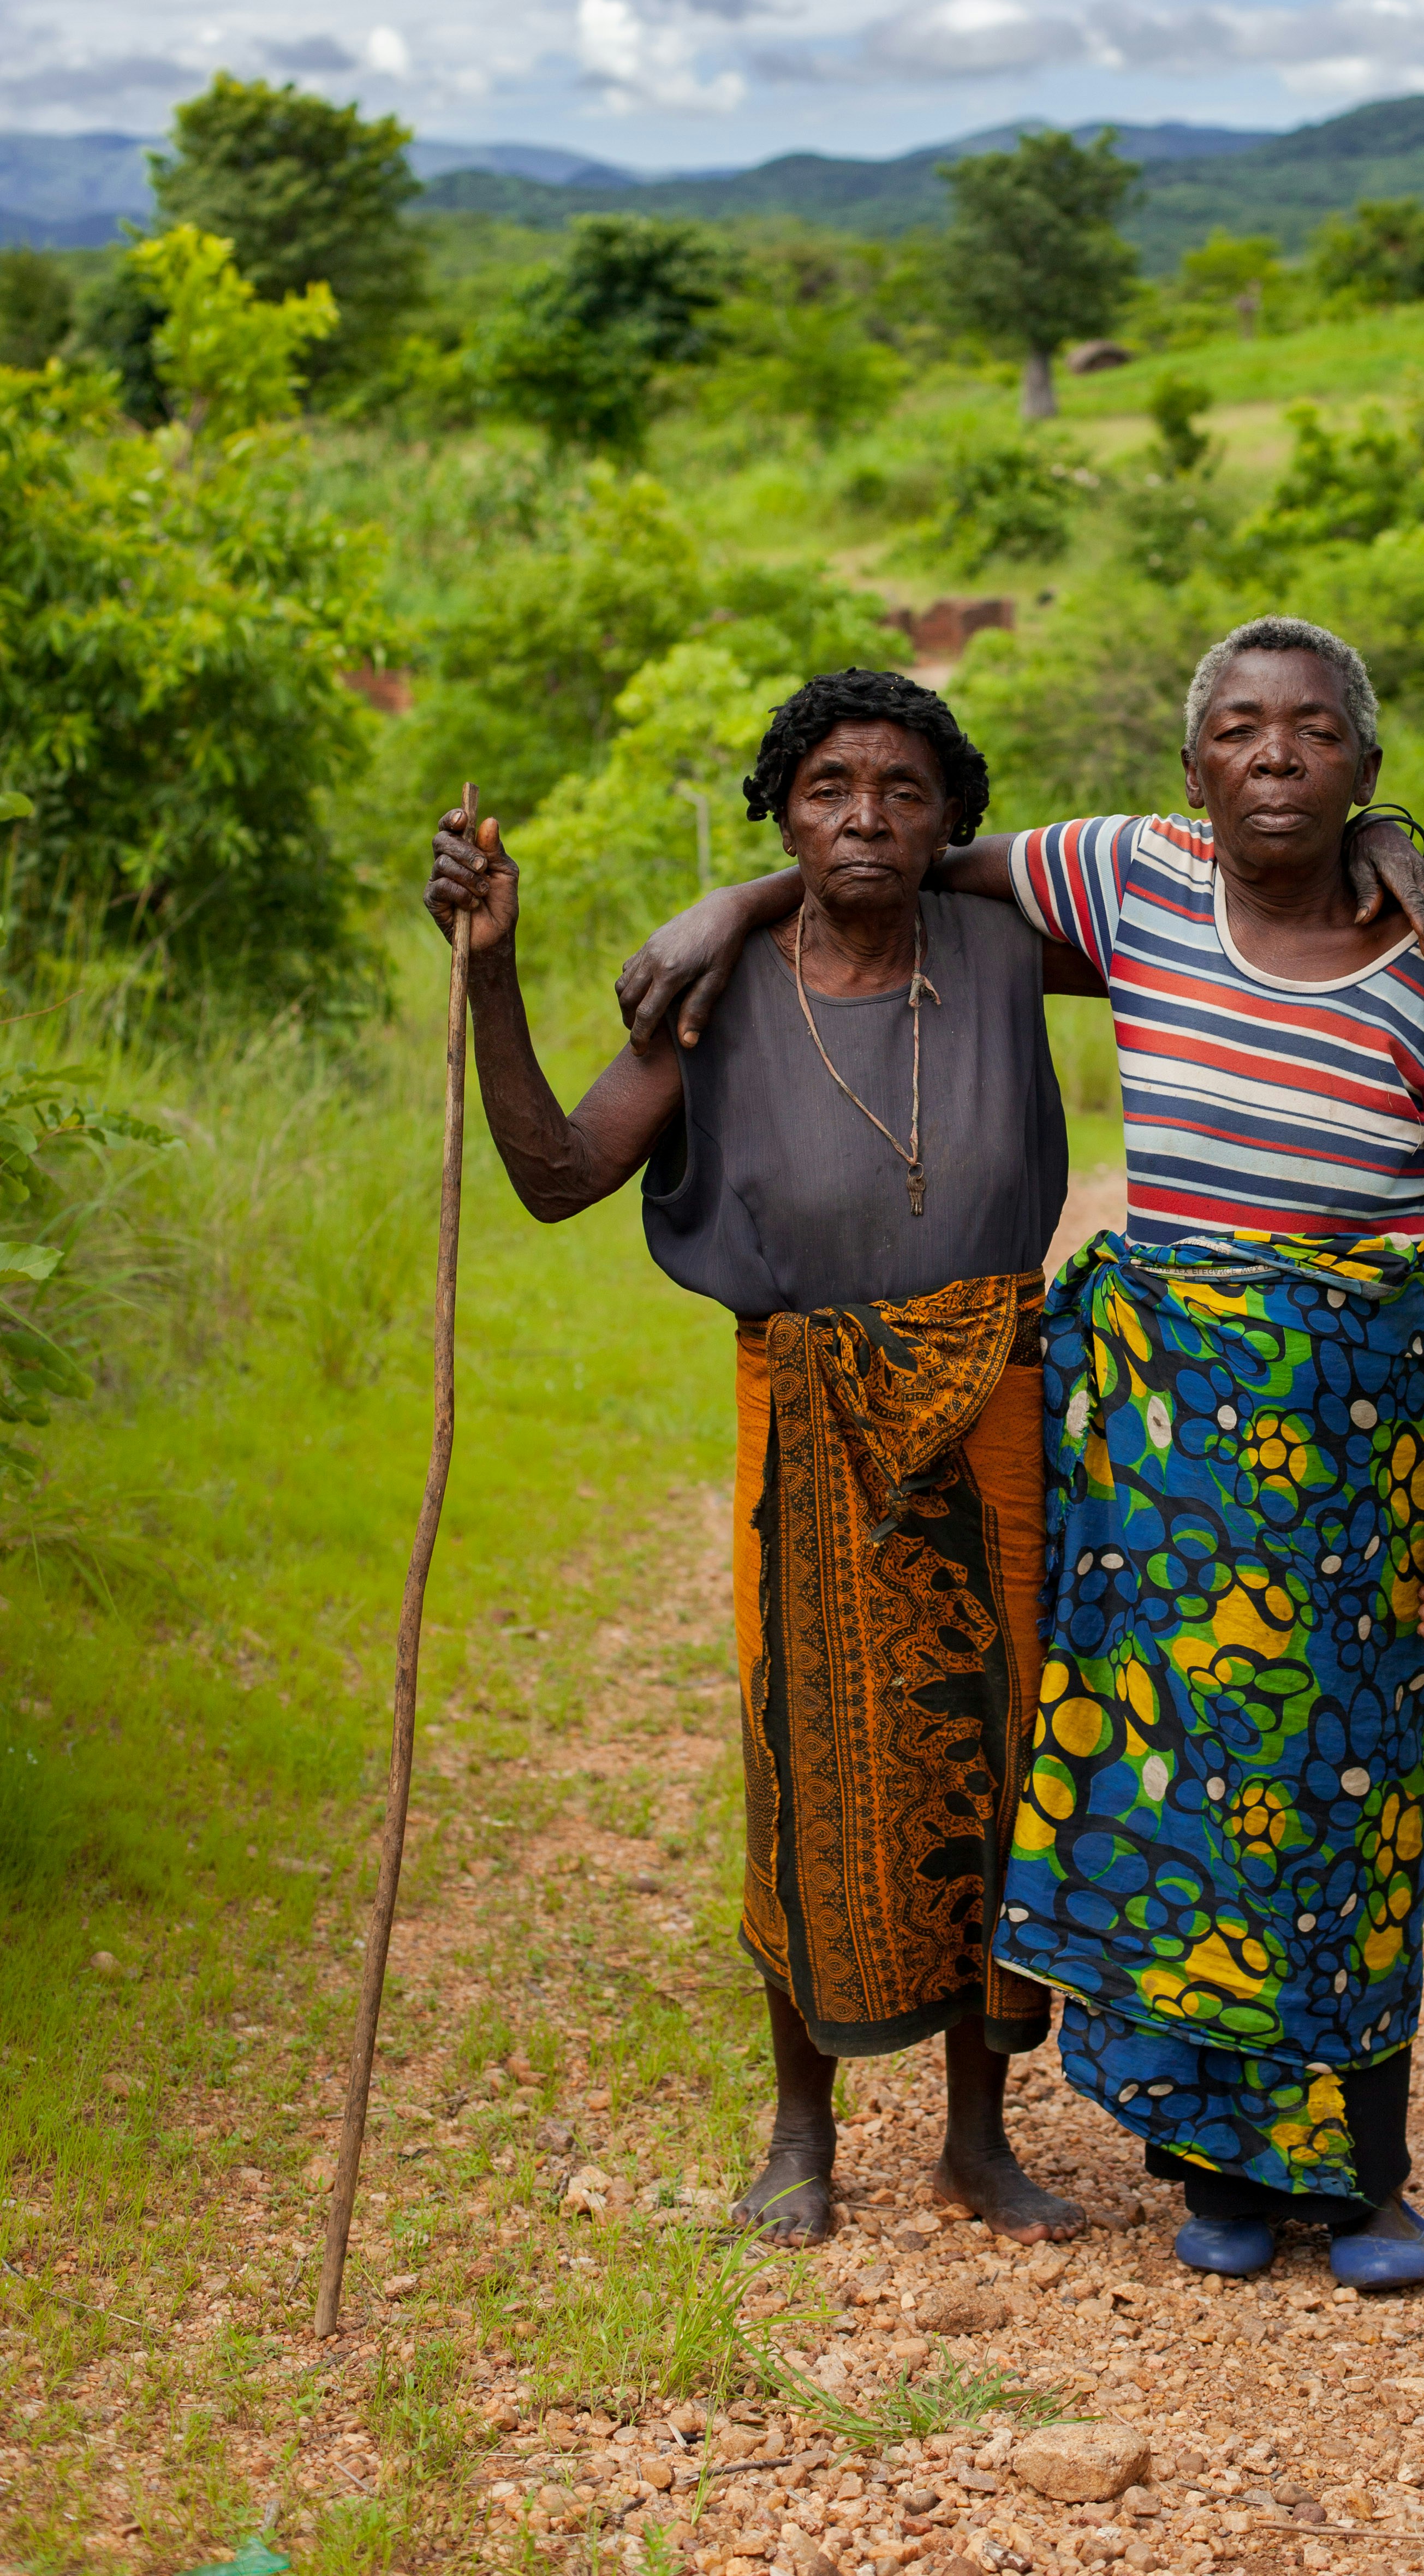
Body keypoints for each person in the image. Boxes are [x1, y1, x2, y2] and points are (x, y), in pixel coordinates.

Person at [616, 615, 1424, 2291]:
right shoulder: (1131, 879)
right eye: (1237, 729)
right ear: (1189, 771)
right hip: (1167, 1424)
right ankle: (1220, 2166)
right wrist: (731, 905)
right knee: (1174, 1778)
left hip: (1364, 1429)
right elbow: (889, 866)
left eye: (1314, 732)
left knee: (1351, 1781)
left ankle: (1365, 2175)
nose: (1273, 756)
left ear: (1367, 765)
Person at [426, 667, 1105, 2245]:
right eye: (827, 791)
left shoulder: (1007, 950)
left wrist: (1369, 847)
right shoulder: (719, 995)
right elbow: (555, 1174)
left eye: (904, 792)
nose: (865, 817)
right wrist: (494, 973)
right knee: (804, 1758)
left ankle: (980, 2141)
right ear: (783, 814)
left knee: (1001, 1753)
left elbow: (1224, 905)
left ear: (952, 823)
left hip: (994, 1401)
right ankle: (803, 2132)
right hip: (806, 1415)